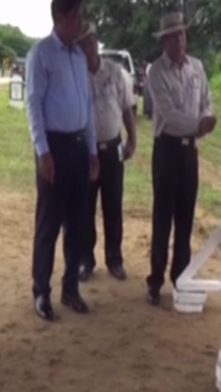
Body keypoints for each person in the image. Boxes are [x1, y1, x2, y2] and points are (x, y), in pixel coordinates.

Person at [26, 0, 99, 321]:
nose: (80, 23)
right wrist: (43, 151)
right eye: (75, 18)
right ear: (58, 18)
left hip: (79, 147)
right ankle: (41, 291)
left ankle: (71, 289)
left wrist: (92, 150)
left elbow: (87, 106)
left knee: (77, 223)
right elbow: (33, 105)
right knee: (49, 224)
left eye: (81, 17)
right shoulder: (41, 55)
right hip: (53, 149)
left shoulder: (79, 57)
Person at [145, 12, 217, 305]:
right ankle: (155, 281)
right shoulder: (156, 72)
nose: (179, 40)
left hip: (189, 153)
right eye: (173, 36)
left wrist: (207, 116)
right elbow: (170, 115)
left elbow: (207, 101)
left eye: (182, 34)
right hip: (167, 149)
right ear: (164, 40)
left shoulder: (196, 67)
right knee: (162, 218)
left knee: (185, 219)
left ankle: (181, 278)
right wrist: (200, 124)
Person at [76, 23, 137, 282]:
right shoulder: (76, 75)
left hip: (112, 150)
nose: (88, 46)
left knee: (113, 207)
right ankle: (85, 260)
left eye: (90, 41)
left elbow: (126, 108)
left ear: (96, 41)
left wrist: (132, 139)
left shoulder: (115, 72)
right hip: (86, 153)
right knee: (85, 208)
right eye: (82, 43)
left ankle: (114, 259)